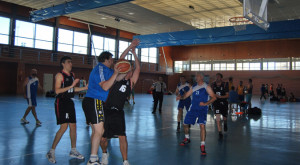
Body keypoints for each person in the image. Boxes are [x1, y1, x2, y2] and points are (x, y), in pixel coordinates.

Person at [82, 39, 139, 165]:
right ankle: (93, 159)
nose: (114, 62)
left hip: (107, 107)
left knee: (98, 131)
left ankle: (94, 157)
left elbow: (118, 73)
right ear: (107, 60)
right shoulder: (101, 69)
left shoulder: (111, 72)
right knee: (99, 132)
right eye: (111, 60)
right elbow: (106, 86)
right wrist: (117, 73)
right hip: (95, 101)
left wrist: (131, 47)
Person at [100, 47, 140, 165]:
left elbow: (138, 69)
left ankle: (125, 161)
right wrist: (129, 49)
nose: (130, 71)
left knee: (122, 136)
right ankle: (104, 153)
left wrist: (134, 54)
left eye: (130, 69)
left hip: (118, 112)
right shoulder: (115, 78)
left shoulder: (131, 83)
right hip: (106, 110)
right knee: (103, 138)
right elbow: (120, 61)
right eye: (128, 68)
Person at [46, 56, 88, 164]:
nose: (71, 64)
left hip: (70, 102)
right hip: (61, 103)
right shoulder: (60, 75)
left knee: (73, 127)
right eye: (69, 62)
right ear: (63, 64)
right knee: (64, 127)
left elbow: (73, 89)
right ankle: (51, 151)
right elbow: (57, 91)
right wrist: (72, 85)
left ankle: (73, 150)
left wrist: (84, 88)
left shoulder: (72, 75)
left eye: (71, 62)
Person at [177, 72, 216, 156]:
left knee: (202, 125)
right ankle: (187, 138)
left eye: (197, 76)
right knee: (185, 123)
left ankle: (202, 145)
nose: (196, 77)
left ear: (201, 77)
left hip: (202, 109)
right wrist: (181, 97)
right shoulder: (193, 86)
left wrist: (206, 103)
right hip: (193, 108)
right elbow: (186, 95)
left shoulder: (207, 86)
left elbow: (214, 97)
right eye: (195, 76)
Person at [211, 73, 229, 139]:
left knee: (224, 117)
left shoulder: (225, 84)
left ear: (221, 78)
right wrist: (213, 96)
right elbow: (211, 94)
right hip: (216, 103)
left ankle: (225, 123)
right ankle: (220, 133)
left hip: (224, 103)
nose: (217, 78)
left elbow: (227, 95)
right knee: (218, 118)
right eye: (216, 77)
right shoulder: (213, 84)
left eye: (218, 77)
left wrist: (220, 97)